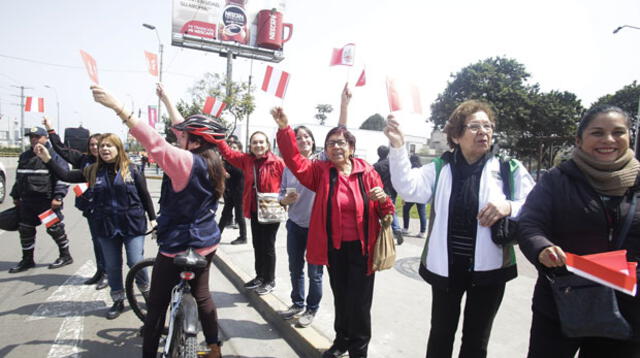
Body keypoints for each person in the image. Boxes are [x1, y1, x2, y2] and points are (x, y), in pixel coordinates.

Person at [384, 100, 535, 358]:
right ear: (456, 135)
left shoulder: (507, 168)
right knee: (441, 334)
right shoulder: (440, 168)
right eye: (474, 126)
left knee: (476, 339)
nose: (484, 132)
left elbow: (535, 203)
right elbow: (408, 188)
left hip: (490, 271)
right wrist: (398, 147)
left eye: (488, 126)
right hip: (447, 267)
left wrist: (508, 206)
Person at [92, 83, 226, 358]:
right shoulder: (213, 160)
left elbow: (153, 140)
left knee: (156, 306)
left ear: (195, 141)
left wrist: (118, 107)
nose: (178, 137)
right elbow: (180, 127)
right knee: (203, 295)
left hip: (176, 244)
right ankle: (214, 347)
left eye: (184, 136)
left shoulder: (183, 161)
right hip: (206, 242)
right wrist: (167, 100)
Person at [517, 105, 640, 357]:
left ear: (630, 137)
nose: (608, 140)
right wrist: (542, 247)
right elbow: (530, 223)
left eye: (618, 132)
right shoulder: (556, 179)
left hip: (626, 309)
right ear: (579, 140)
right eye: (597, 133)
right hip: (562, 301)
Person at [273, 107, 394, 358]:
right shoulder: (321, 173)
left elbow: (386, 210)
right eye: (330, 144)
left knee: (360, 303)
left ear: (351, 146)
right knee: (341, 296)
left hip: (363, 249)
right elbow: (294, 160)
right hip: (335, 248)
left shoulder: (367, 173)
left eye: (340, 143)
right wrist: (285, 128)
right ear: (326, 150)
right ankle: (341, 341)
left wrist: (383, 199)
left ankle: (358, 349)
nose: (335, 147)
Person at [34, 133, 156, 320]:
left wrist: (153, 220)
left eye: (109, 146)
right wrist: (47, 159)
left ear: (118, 148)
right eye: (102, 147)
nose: (104, 149)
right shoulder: (92, 170)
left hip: (132, 224)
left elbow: (145, 195)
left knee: (135, 262)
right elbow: (65, 175)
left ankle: (147, 294)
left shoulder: (132, 169)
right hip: (106, 226)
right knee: (113, 266)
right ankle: (117, 300)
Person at [214, 129, 285, 296]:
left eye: (261, 142)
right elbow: (229, 153)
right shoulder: (247, 160)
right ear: (250, 146)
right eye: (255, 142)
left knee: (268, 246)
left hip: (271, 211)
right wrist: (218, 139)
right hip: (254, 209)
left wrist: (286, 200)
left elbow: (289, 181)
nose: (258, 145)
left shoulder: (278, 162)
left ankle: (270, 280)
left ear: (267, 145)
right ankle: (260, 277)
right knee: (257, 244)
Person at [42, 117, 108, 289]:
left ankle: (108, 273)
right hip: (90, 209)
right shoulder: (83, 160)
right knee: (96, 241)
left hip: (107, 210)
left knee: (104, 242)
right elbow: (62, 150)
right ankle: (100, 271)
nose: (94, 147)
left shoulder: (109, 162)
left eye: (98, 144)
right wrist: (50, 130)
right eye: (92, 144)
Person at [276, 125, 324, 328]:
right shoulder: (288, 167)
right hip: (295, 225)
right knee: (295, 268)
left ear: (313, 141)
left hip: (317, 228)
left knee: (315, 273)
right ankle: (297, 303)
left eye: (307, 137)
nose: (303, 140)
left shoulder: (320, 162)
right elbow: (279, 196)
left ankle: (311, 308)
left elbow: (341, 133)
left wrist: (343, 106)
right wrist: (285, 200)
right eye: (298, 137)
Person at [9, 126, 71, 273]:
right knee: (26, 230)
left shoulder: (54, 154)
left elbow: (63, 177)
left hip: (47, 201)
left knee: (54, 229)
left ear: (45, 138)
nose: (33, 139)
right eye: (31, 137)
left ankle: (65, 255)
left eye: (37, 136)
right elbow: (19, 178)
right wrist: (15, 195)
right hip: (27, 201)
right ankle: (27, 260)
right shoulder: (25, 156)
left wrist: (58, 196)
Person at [373, 145, 404, 245]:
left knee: (379, 211)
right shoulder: (392, 164)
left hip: (380, 191)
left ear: (378, 153)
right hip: (393, 190)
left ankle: (385, 231)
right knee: (391, 210)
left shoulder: (376, 166)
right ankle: (396, 229)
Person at [218, 140, 247, 245]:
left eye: (235, 147)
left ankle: (243, 237)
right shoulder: (227, 160)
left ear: (240, 149)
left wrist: (225, 172)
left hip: (239, 192)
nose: (232, 149)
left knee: (239, 215)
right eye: (231, 147)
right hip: (229, 191)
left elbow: (237, 173)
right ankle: (216, 235)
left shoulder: (241, 160)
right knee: (225, 214)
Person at [402, 154, 427, 238]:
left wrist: (403, 196)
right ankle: (422, 232)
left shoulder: (409, 170)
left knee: (406, 210)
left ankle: (405, 228)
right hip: (421, 194)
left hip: (411, 194)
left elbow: (406, 183)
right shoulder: (423, 170)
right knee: (422, 213)